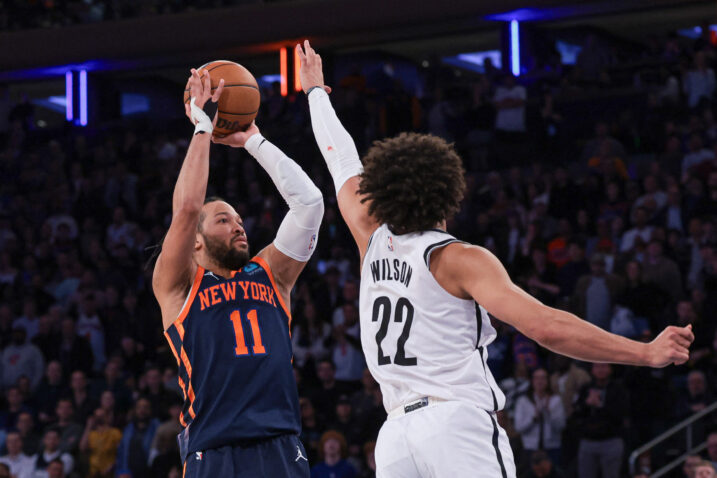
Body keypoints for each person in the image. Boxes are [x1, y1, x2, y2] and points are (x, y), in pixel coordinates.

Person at [297, 39, 694, 478]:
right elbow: (547, 327)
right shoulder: (457, 259)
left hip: (395, 437)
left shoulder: (369, 237)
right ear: (449, 193)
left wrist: (315, 92)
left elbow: (342, 161)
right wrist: (645, 352)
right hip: (454, 425)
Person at [151, 67, 322, 477]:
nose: (239, 225)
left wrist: (254, 142)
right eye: (224, 220)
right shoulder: (177, 287)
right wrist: (202, 127)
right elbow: (188, 209)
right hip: (215, 450)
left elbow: (310, 205)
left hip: (281, 444)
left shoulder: (270, 275)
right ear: (195, 240)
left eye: (239, 219)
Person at [513, 368, 565, 466]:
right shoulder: (523, 401)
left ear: (548, 381)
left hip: (552, 447)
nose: (540, 381)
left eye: (543, 378)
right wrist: (533, 418)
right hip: (530, 448)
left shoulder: (556, 400)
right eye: (536, 378)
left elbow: (561, 427)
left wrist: (549, 414)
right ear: (532, 381)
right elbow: (518, 427)